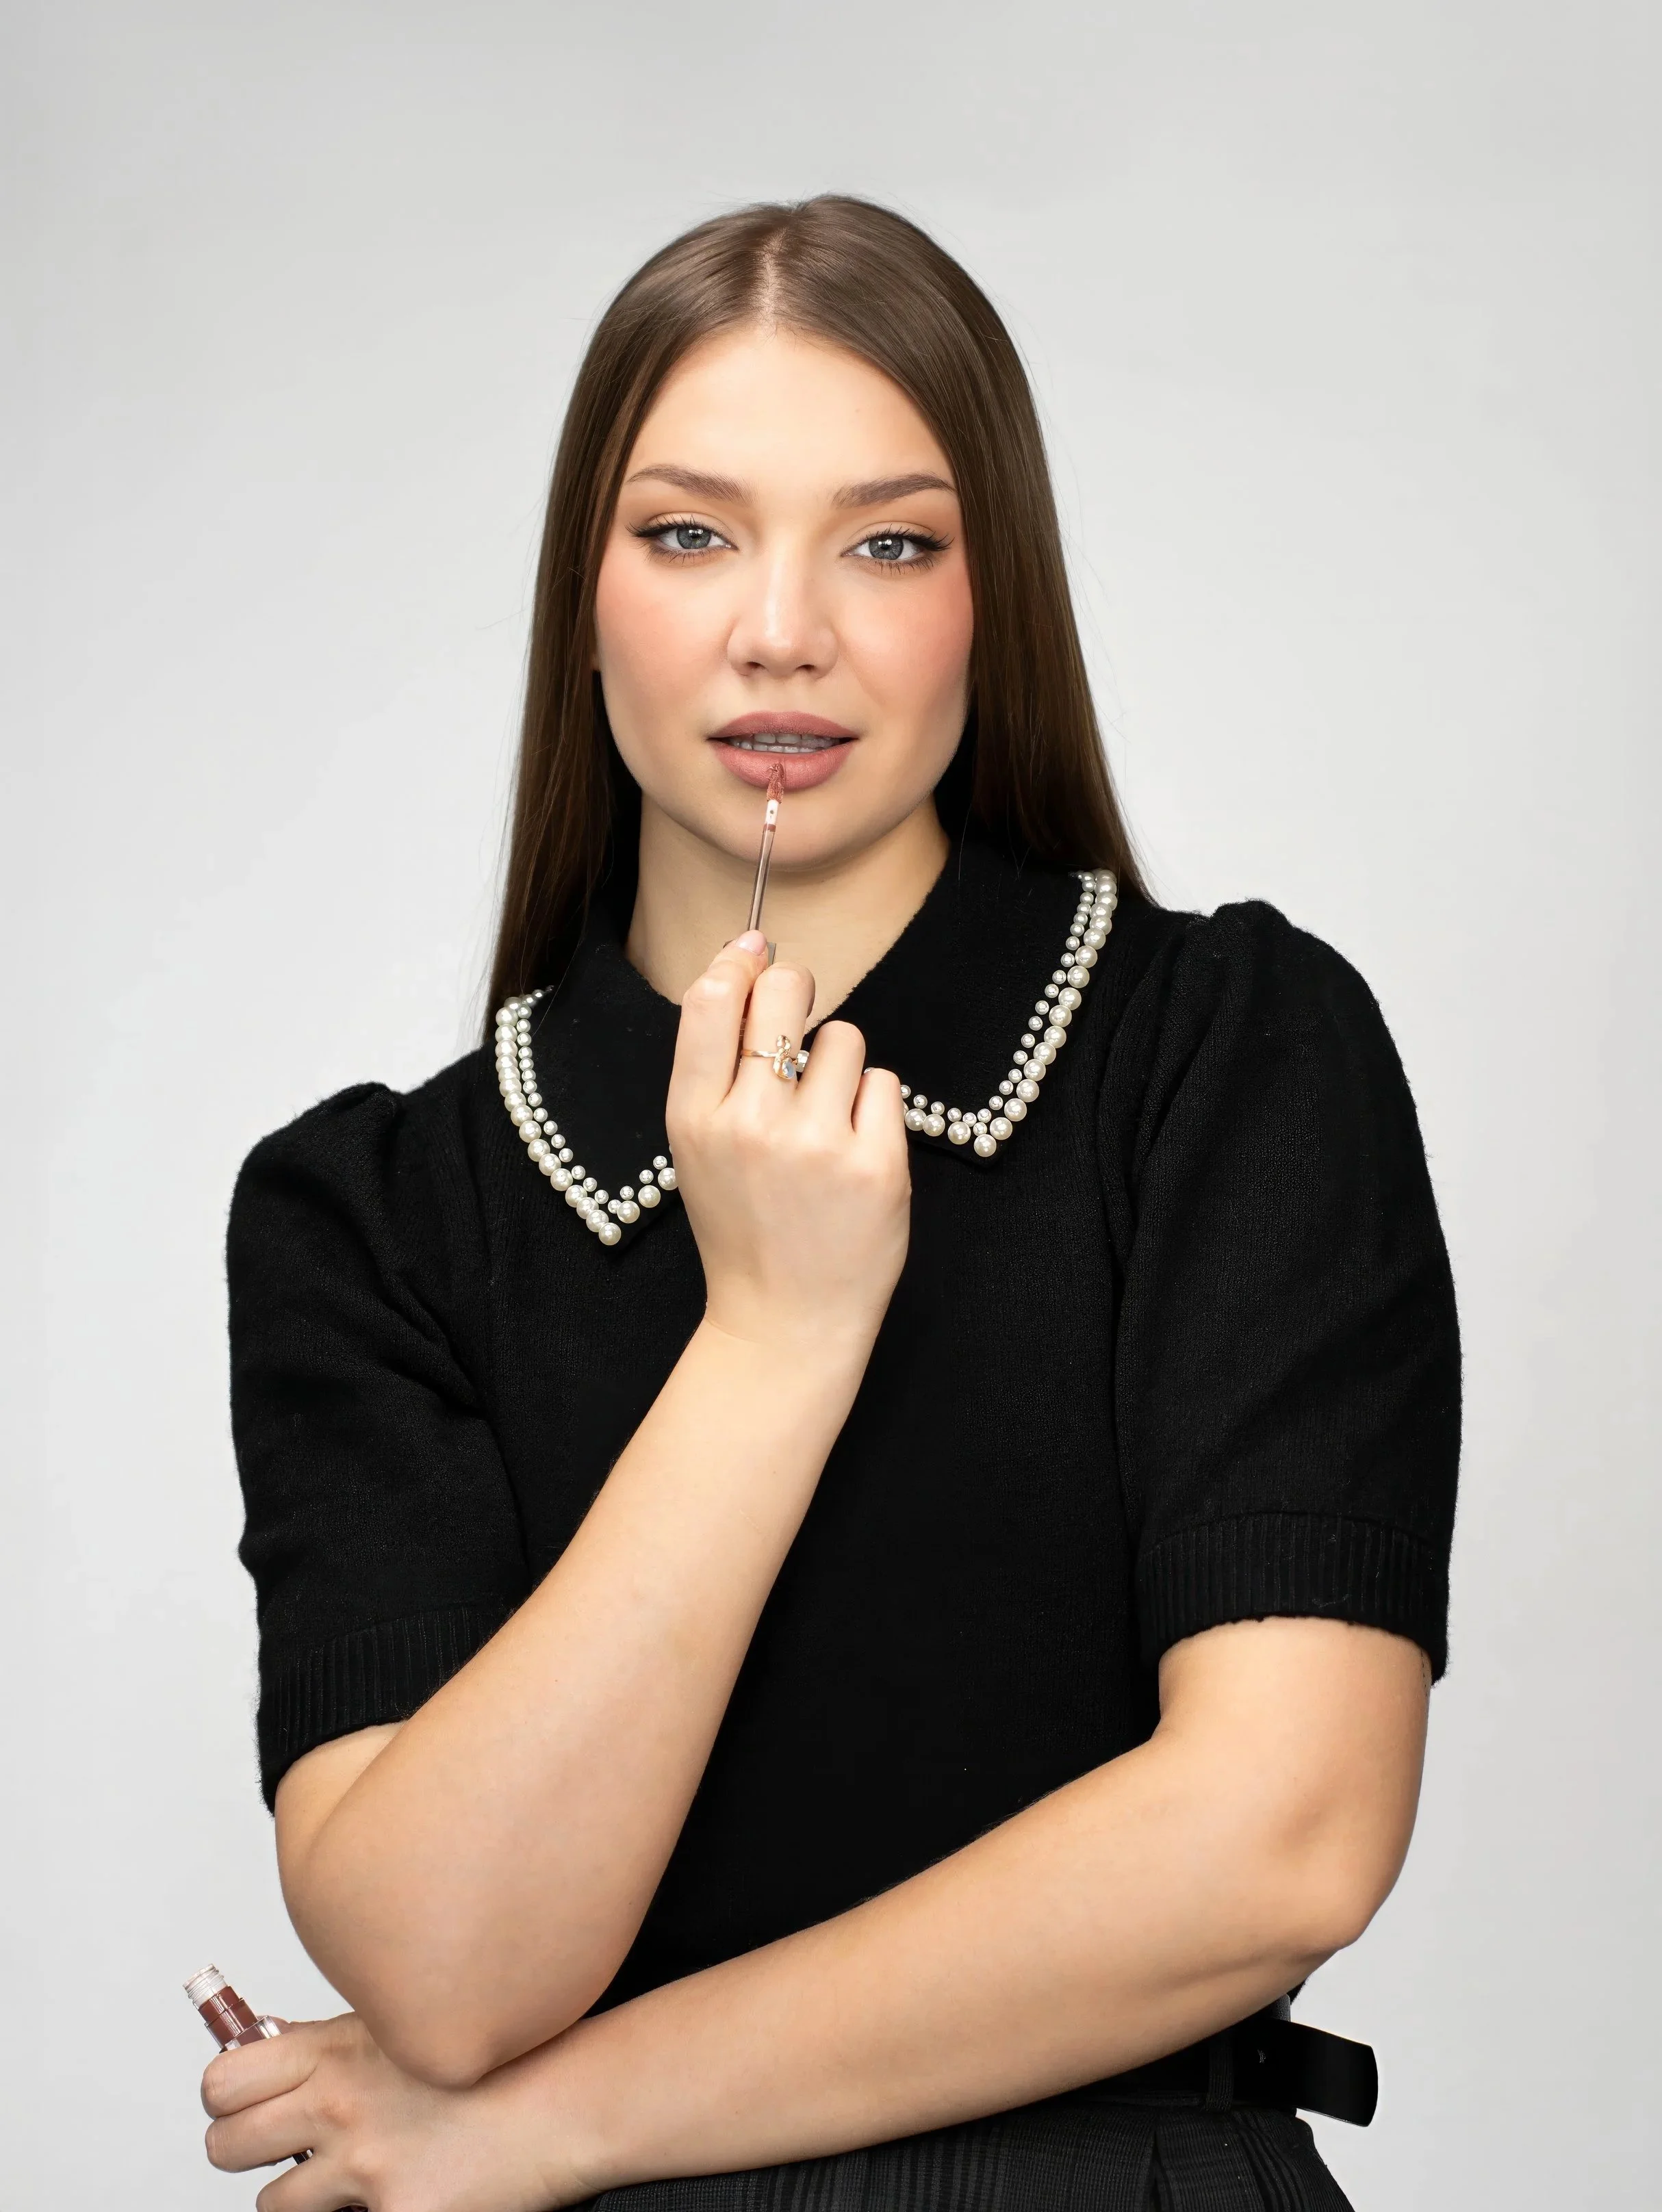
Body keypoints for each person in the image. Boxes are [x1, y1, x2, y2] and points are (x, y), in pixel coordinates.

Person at [201, 196, 1459, 2212]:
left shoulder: (1223, 1052)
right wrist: (771, 1336)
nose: (780, 628)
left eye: (889, 541)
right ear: (581, 598)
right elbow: (445, 1970)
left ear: (995, 598)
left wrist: (544, 2124)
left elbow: (1279, 1842)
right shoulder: (374, 1211)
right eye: (688, 533)